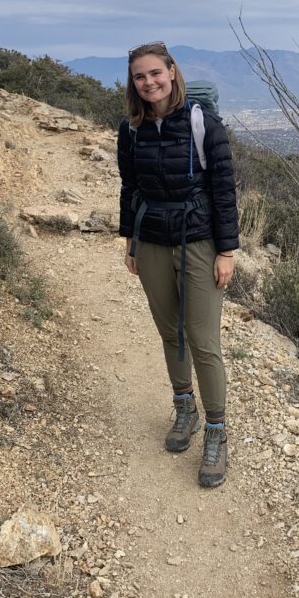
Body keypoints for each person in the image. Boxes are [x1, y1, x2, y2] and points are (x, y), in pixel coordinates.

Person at [117, 42, 239, 488]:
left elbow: (224, 187)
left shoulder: (202, 120)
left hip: (199, 241)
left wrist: (226, 251)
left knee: (203, 340)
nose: (148, 82)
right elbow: (130, 184)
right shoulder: (130, 128)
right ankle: (184, 408)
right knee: (170, 333)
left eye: (155, 73)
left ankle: (216, 432)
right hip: (151, 240)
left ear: (172, 71)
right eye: (139, 76)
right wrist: (129, 238)